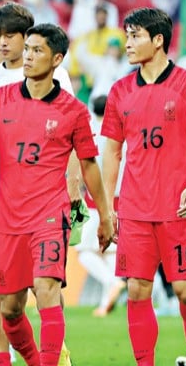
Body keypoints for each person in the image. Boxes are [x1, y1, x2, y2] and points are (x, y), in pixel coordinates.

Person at [0, 23, 113, 366]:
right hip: (8, 215)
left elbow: (89, 165)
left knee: (46, 288)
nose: (28, 56)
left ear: (57, 59)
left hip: (50, 214)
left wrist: (105, 213)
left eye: (37, 50)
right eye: (28, 49)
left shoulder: (74, 110)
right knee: (10, 308)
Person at [100, 7, 186, 366]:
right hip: (135, 209)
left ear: (158, 40)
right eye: (128, 35)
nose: (129, 43)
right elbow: (111, 152)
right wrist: (108, 208)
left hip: (177, 208)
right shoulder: (120, 90)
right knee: (137, 290)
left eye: (136, 36)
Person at [75, 94, 126, 318]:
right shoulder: (122, 132)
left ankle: (112, 282)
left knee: (83, 251)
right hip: (120, 199)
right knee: (110, 252)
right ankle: (107, 299)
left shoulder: (92, 132)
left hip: (96, 201)